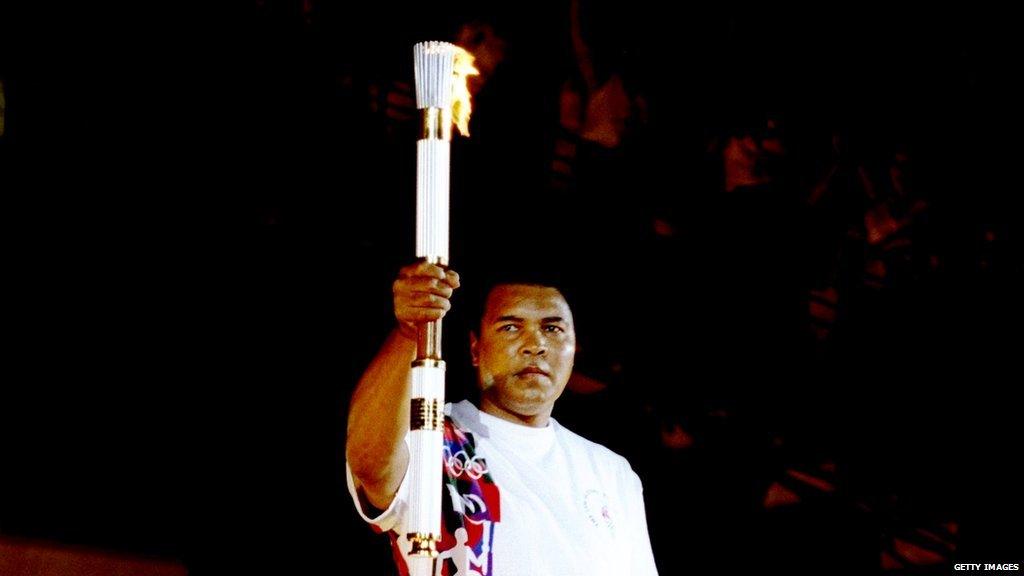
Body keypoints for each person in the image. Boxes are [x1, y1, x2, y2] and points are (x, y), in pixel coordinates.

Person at [345, 261, 659, 575]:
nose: (535, 345)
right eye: (510, 327)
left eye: (552, 328)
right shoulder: (434, 437)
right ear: (475, 349)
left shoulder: (611, 472)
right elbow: (373, 467)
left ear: (574, 347)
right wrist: (409, 333)